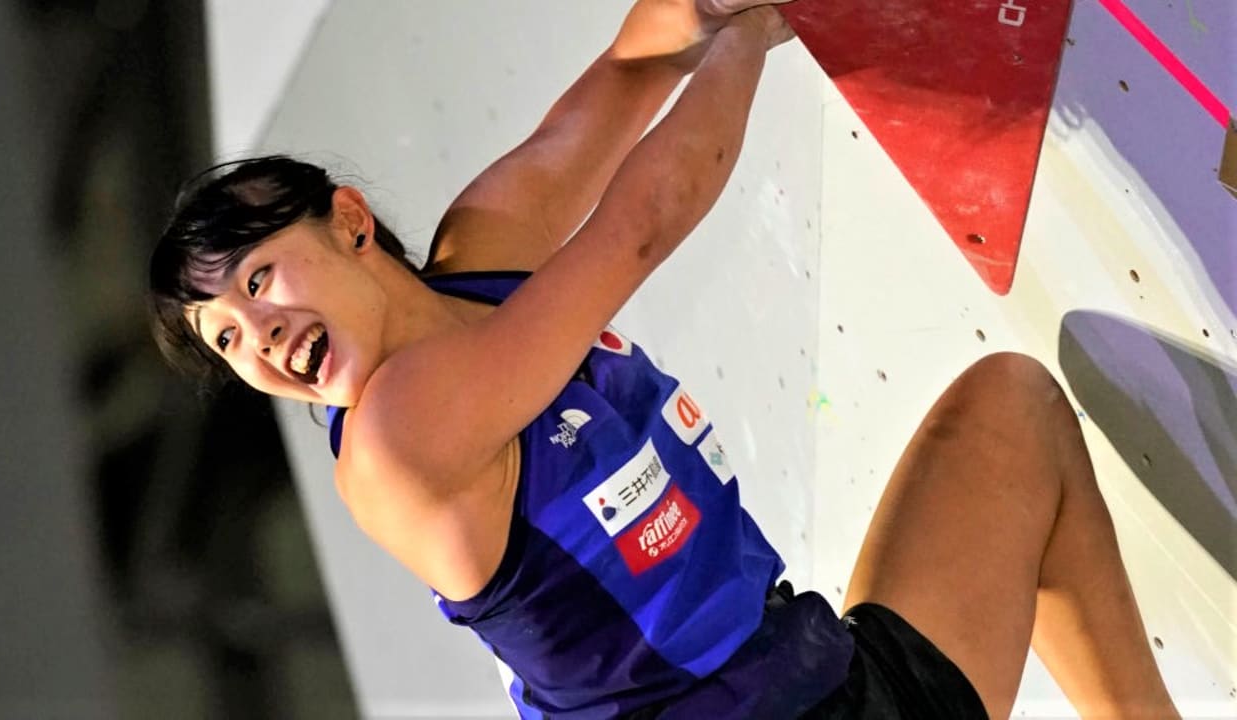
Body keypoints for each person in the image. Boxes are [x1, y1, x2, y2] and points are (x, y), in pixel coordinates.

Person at [149, 1, 1179, 717]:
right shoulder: (395, 438)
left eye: (258, 279)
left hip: (814, 677)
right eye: (226, 339)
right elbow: (641, 225)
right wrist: (760, 27)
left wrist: (707, 9)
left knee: (1012, 417)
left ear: (349, 221)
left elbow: (627, 69)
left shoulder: (479, 262)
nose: (258, 334)